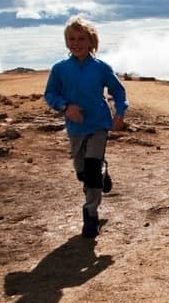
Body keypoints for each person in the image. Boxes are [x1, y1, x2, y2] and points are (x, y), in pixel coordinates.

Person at [44, 15, 128, 238]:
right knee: (83, 172)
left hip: (99, 124)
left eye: (81, 38)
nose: (76, 43)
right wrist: (65, 107)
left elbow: (118, 91)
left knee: (90, 171)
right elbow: (50, 94)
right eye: (71, 39)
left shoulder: (101, 68)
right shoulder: (60, 69)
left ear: (91, 41)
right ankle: (103, 170)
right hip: (75, 128)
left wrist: (119, 113)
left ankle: (90, 215)